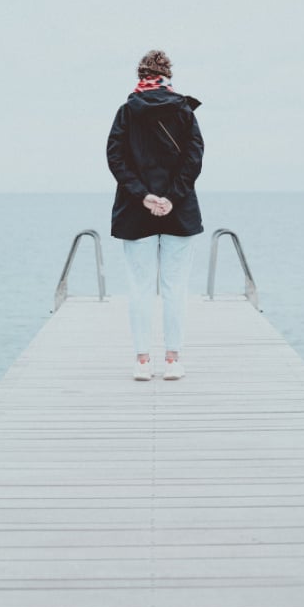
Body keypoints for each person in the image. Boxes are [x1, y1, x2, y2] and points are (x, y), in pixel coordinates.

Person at [107, 50, 204, 381]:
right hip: (178, 212)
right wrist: (172, 198)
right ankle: (174, 360)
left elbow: (115, 159)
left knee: (139, 287)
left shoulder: (126, 112)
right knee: (175, 286)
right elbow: (194, 160)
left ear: (140, 75)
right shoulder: (184, 110)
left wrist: (144, 195)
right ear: (167, 75)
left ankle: (143, 362)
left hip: (136, 212)